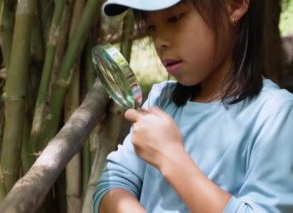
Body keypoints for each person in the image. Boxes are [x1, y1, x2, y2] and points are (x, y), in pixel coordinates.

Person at [93, 0, 293, 212]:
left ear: (234, 6)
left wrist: (170, 157)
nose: (160, 41)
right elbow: (111, 183)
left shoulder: (276, 116)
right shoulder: (161, 100)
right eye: (151, 28)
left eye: (175, 18)